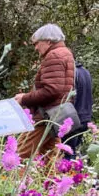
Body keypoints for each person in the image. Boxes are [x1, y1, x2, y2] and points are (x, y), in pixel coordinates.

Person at [14, 24, 75, 158]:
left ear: (48, 41)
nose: (36, 48)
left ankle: (10, 179)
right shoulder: (66, 53)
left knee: (17, 156)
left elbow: (51, 90)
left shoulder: (54, 56)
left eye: (37, 43)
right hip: (57, 116)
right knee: (49, 160)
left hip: (45, 116)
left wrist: (24, 98)